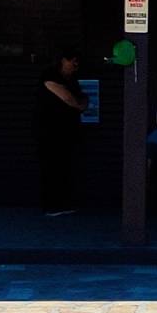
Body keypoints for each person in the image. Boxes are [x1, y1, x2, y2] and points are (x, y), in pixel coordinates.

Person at [39, 48, 88, 215]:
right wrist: (79, 105)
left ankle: (63, 202)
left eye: (77, 60)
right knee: (52, 166)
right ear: (62, 60)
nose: (75, 64)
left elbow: (78, 97)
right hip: (50, 130)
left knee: (65, 165)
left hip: (67, 129)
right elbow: (67, 97)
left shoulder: (72, 79)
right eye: (72, 60)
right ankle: (51, 205)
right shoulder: (50, 76)